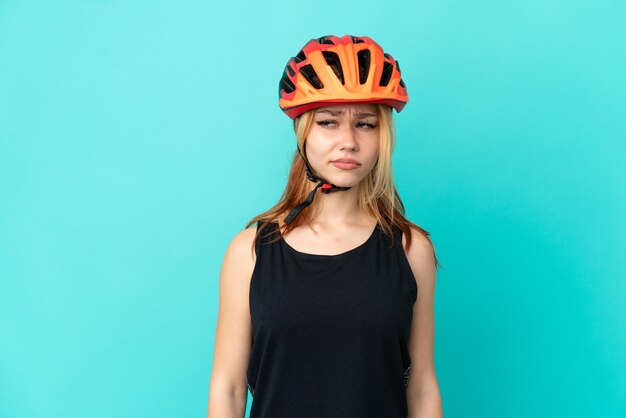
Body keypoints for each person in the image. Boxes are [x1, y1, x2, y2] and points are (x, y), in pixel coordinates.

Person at [207, 34, 443, 418]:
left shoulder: (410, 249)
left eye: (365, 124)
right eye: (329, 122)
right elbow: (228, 389)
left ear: (383, 136)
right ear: (303, 133)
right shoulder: (249, 252)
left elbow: (421, 387)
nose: (348, 141)